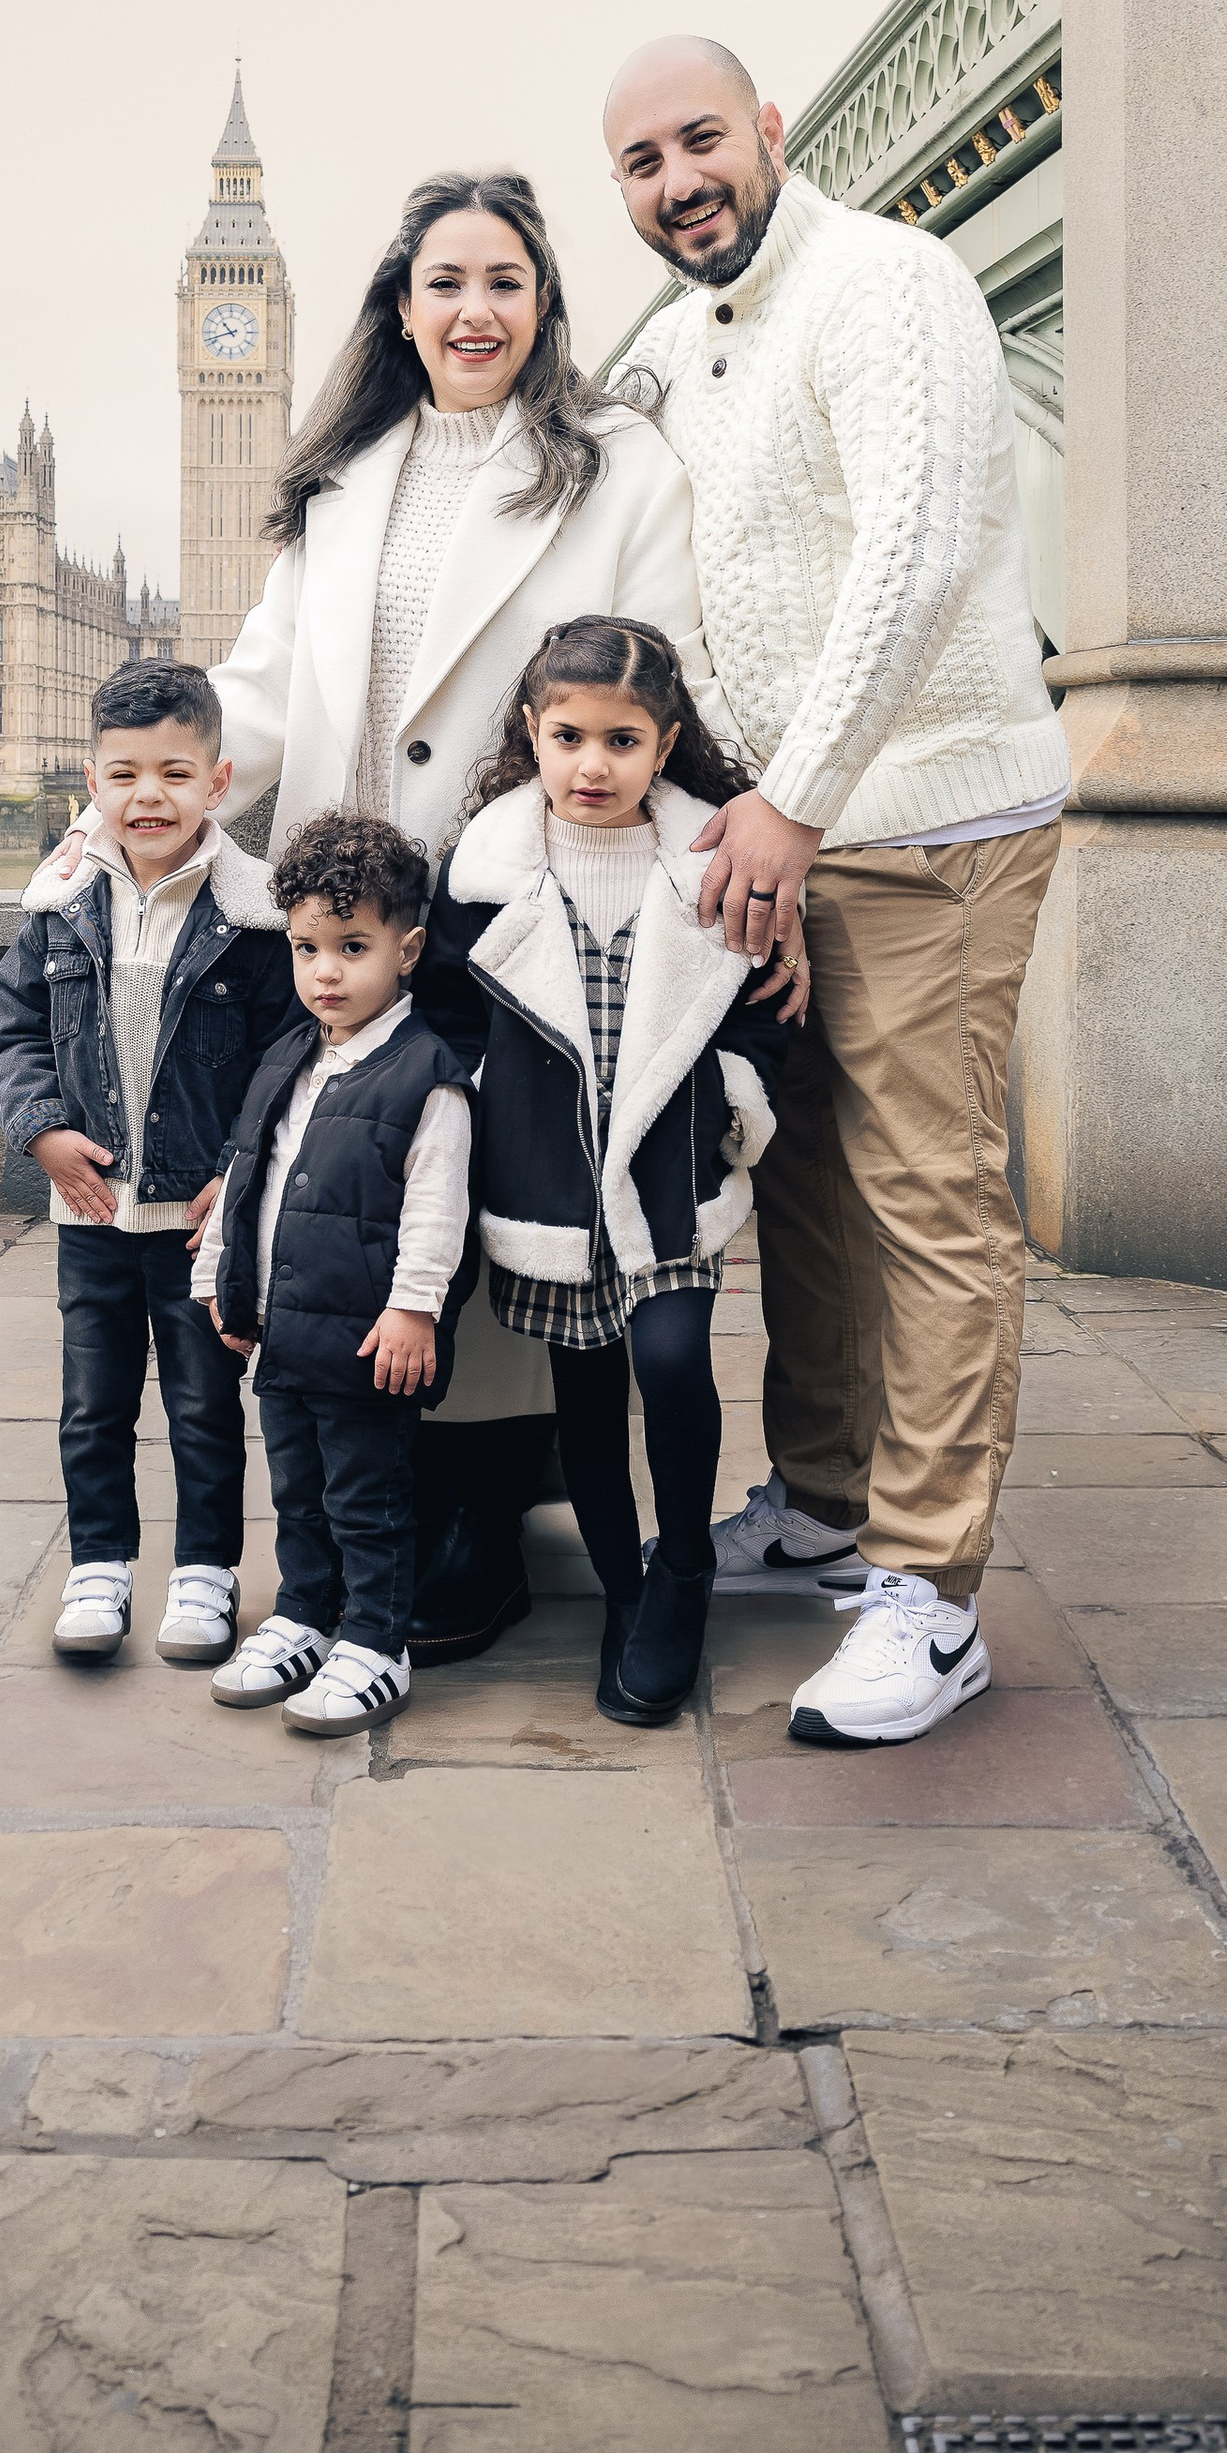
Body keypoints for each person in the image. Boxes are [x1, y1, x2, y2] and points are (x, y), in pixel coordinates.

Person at [605, 34, 1071, 1749]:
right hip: (775, 836)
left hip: (934, 823)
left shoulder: (893, 280)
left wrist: (788, 805)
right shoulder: (664, 355)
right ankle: (819, 1499)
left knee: (929, 1199)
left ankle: (931, 1601)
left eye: (701, 140)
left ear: (773, 130)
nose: (678, 182)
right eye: (643, 164)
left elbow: (921, 548)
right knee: (791, 1177)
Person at [209, 167, 728, 1664]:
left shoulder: (618, 467)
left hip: (512, 899)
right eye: (445, 282)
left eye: (504, 281)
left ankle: (478, 1517)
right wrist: (146, 799)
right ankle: (410, 1501)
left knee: (499, 1208)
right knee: (361, 1204)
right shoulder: (343, 477)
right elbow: (258, 686)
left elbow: (666, 683)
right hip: (350, 905)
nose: (474, 308)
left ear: (545, 307)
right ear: (400, 306)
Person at [420, 617, 790, 1724]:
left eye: (622, 740)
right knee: (583, 1388)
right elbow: (445, 1017)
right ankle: (623, 1589)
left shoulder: (713, 863)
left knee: (672, 1364)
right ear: (532, 733)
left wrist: (734, 1098)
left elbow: (767, 1013)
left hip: (669, 1171)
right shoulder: (482, 871)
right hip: (546, 1183)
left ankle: (682, 1571)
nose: (593, 765)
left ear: (665, 742)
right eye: (569, 736)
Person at [0, 663, 296, 1672]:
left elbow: (282, 1063)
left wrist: (241, 1172)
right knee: (94, 1406)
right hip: (90, 1216)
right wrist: (39, 1128)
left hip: (199, 1219)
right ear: (93, 782)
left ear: (219, 781)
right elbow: (17, 1031)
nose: (147, 795)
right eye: (123, 775)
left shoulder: (254, 920)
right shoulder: (60, 905)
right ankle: (100, 1567)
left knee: (205, 1409)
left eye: (174, 771)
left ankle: (206, 1573)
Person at [190, 809, 474, 1737]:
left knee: (367, 1501)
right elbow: (246, 1179)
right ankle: (304, 1616)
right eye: (309, 948)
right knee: (297, 1493)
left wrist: (414, 1310)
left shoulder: (426, 1074)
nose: (326, 972)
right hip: (282, 1333)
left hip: (364, 1339)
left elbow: (438, 1208)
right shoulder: (289, 1058)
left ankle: (377, 1639)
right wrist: (223, 1284)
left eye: (353, 946)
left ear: (408, 948)